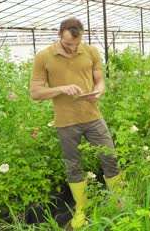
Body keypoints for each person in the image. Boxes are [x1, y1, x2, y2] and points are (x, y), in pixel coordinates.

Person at [30, 17, 123, 229]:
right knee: (73, 166)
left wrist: (98, 92)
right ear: (59, 35)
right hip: (66, 122)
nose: (72, 48)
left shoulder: (90, 51)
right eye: (68, 44)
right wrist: (61, 89)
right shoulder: (44, 57)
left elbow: (100, 80)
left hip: (93, 117)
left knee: (109, 157)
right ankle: (81, 208)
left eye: (76, 44)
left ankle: (119, 201)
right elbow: (35, 92)